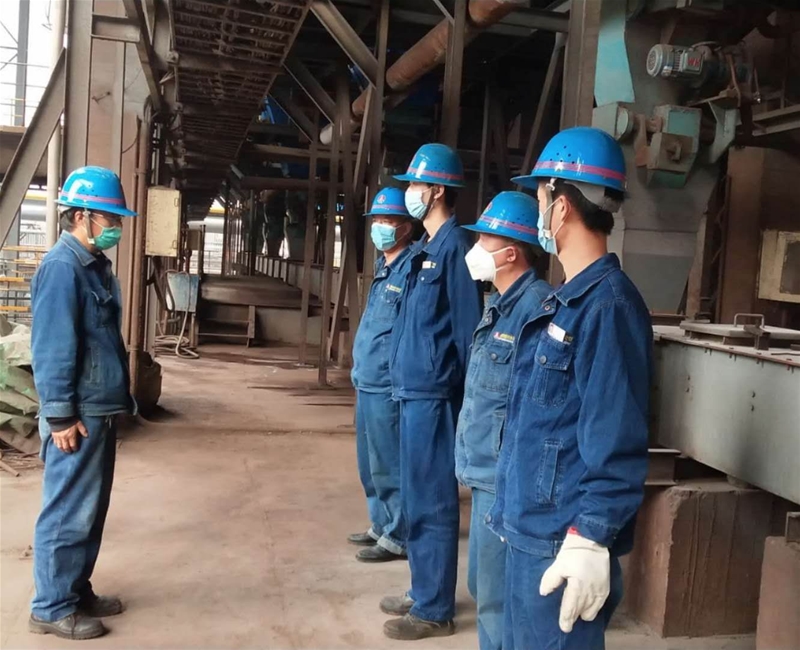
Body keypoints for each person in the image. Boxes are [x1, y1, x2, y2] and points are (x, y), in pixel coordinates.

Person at [487, 127, 653, 650]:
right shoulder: (563, 301)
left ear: (560, 207)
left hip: (562, 542)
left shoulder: (608, 306)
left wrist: (590, 537)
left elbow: (616, 435)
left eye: (540, 197)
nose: (538, 211)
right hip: (530, 530)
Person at [29, 166, 137, 640]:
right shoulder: (62, 268)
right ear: (82, 216)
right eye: (110, 218)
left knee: (89, 509)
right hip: (79, 413)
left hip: (99, 407)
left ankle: (74, 590)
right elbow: (53, 347)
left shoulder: (92, 265)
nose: (116, 227)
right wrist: (60, 416)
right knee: (67, 510)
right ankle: (51, 606)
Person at [381, 143, 483, 641]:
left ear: (436, 190)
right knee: (415, 496)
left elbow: (467, 332)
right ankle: (423, 587)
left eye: (415, 185)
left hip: (435, 397)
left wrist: (464, 408)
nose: (410, 193)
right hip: (412, 392)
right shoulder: (424, 249)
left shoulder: (456, 248)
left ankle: (435, 608)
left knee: (433, 501)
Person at [457, 192, 552, 650]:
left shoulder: (536, 308)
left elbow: (536, 406)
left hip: (504, 478)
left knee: (498, 595)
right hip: (485, 472)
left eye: (485, 239)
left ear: (511, 253)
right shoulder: (499, 303)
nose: (476, 247)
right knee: (484, 585)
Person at [348, 188, 415, 563]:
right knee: (369, 462)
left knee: (389, 462)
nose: (380, 228)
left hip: (387, 383)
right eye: (376, 221)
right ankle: (381, 522)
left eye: (388, 221)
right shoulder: (383, 267)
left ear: (406, 227)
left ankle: (399, 533)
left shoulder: (411, 271)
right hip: (366, 379)